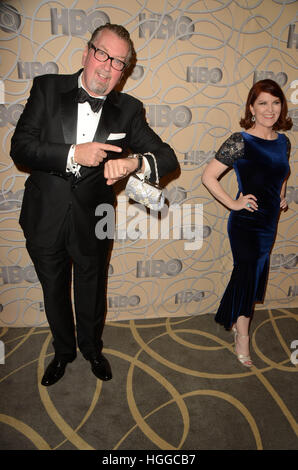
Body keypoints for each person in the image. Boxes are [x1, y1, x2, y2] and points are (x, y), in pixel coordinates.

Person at [10, 23, 178, 386]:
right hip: (45, 216)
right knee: (53, 289)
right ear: (87, 52)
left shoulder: (129, 109)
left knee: (92, 287)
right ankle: (63, 351)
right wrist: (73, 153)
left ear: (124, 70)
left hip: (95, 219)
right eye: (102, 54)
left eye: (118, 62)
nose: (107, 66)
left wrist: (134, 163)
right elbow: (20, 147)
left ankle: (91, 349)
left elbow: (168, 158)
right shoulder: (47, 87)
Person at [202, 79, 292, 367]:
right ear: (252, 107)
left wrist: (280, 197)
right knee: (248, 275)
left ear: (282, 106)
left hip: (269, 222)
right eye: (263, 103)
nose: (270, 109)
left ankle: (233, 319)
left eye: (275, 102)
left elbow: (281, 174)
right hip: (246, 223)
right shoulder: (240, 141)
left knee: (250, 275)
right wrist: (233, 203)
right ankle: (242, 336)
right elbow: (208, 177)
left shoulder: (283, 142)